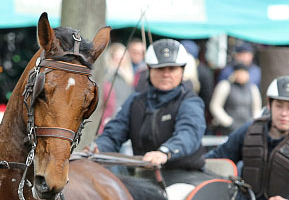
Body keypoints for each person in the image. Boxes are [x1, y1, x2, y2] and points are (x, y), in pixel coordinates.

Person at [94, 38, 206, 178]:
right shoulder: (135, 102)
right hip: (145, 177)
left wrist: (165, 152)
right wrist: (99, 147)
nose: (166, 74)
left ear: (182, 71)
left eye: (172, 68)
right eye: (159, 68)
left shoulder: (190, 101)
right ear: (149, 69)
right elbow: (113, 134)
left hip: (184, 176)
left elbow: (189, 133)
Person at [209, 63, 261, 135]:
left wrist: (254, 122)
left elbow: (257, 108)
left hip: (248, 127)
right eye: (239, 72)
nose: (242, 75)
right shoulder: (225, 86)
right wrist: (228, 122)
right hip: (228, 128)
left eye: (244, 72)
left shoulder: (252, 88)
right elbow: (215, 106)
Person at [96, 42, 134, 133]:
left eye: (123, 57)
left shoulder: (128, 78)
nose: (121, 60)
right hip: (110, 122)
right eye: (118, 57)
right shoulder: (108, 77)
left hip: (125, 122)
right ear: (112, 58)